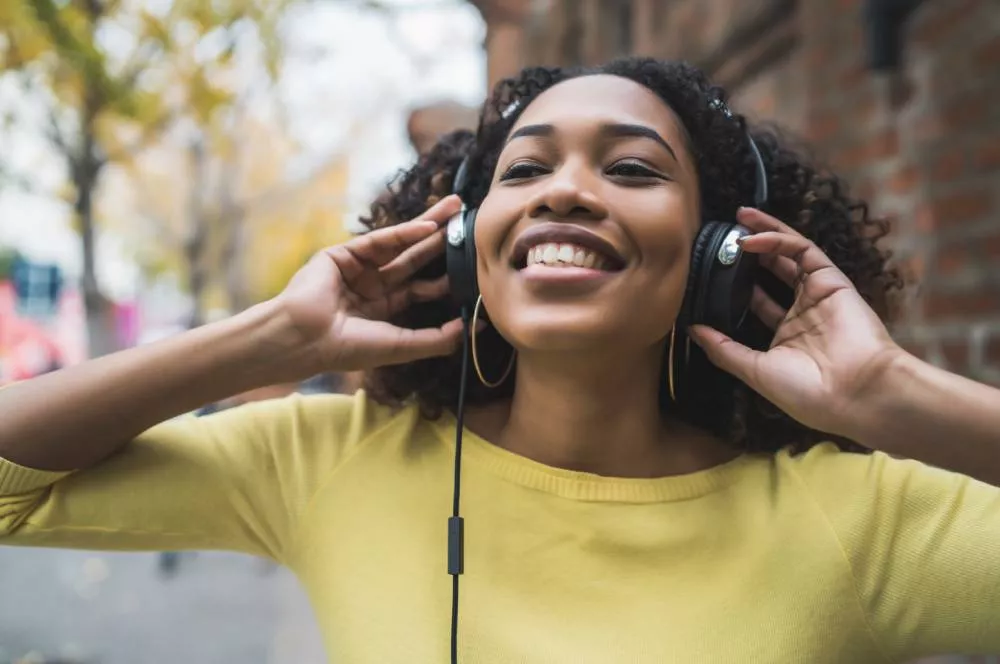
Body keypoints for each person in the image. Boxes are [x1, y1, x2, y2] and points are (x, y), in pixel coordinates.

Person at [1, 58, 999, 663]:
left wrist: (889, 395)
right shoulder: (335, 459)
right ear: (461, 246)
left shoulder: (854, 521)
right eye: (525, 168)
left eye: (631, 167)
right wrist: (272, 337)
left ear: (717, 259)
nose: (561, 192)